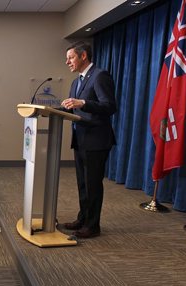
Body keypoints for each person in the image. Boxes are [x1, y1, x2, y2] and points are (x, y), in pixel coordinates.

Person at [60, 41, 117, 239]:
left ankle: (93, 226)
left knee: (92, 184)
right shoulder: (76, 82)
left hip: (96, 140)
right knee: (82, 184)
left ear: (83, 56)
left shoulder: (100, 75)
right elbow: (73, 108)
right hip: (80, 139)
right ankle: (83, 218)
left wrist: (83, 102)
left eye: (71, 57)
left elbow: (109, 106)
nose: (67, 62)